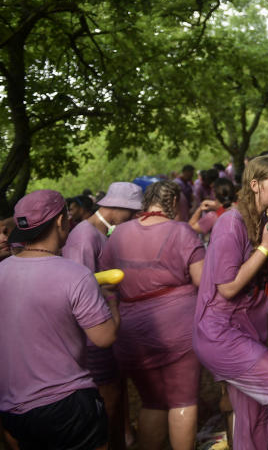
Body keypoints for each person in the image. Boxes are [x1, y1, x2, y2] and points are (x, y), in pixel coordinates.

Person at [193, 156, 268, 450]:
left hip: (247, 330)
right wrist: (265, 246)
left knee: (253, 418)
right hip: (221, 334)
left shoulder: (262, 220)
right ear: (255, 185)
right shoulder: (230, 224)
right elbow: (229, 287)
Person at [0, 190, 119, 450]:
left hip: (13, 408)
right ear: (59, 221)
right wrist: (110, 298)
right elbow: (104, 337)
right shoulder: (75, 274)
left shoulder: (2, 271)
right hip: (68, 404)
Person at [101, 181, 205, 450]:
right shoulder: (181, 231)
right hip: (178, 329)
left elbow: (105, 281)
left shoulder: (119, 234)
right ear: (173, 204)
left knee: (153, 402)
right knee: (183, 400)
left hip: (130, 331)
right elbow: (201, 280)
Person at [62, 181, 142, 450]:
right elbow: (76, 290)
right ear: (116, 208)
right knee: (107, 398)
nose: (132, 218)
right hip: (92, 334)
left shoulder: (100, 232)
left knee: (116, 393)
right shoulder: (84, 237)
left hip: (107, 323)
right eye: (130, 212)